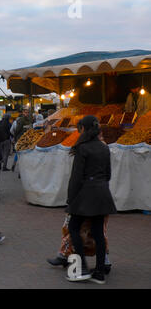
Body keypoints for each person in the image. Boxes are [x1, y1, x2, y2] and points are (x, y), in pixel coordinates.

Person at [65, 115, 117, 284]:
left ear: (84, 129)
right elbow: (108, 174)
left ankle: (81, 269)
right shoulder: (104, 147)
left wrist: (71, 200)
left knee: (73, 228)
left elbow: (76, 178)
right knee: (98, 232)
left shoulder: (82, 148)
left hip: (86, 195)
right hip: (102, 193)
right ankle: (100, 273)